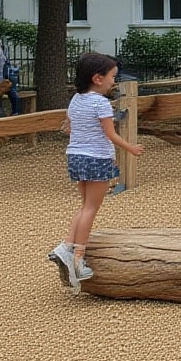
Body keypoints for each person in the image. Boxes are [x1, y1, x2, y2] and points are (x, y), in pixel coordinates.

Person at [47, 53, 144, 293]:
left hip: (76, 157)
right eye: (112, 77)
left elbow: (69, 127)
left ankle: (67, 246)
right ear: (98, 78)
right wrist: (129, 147)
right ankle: (78, 258)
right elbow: (110, 134)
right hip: (96, 158)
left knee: (85, 205)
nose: (114, 81)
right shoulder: (100, 103)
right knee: (92, 207)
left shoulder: (76, 99)